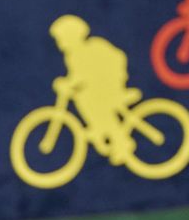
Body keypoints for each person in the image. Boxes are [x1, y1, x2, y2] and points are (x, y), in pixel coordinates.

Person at [50, 14, 140, 163]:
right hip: (93, 88)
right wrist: (68, 83)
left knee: (96, 104)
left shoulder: (93, 46)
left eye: (62, 38)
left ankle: (122, 142)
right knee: (82, 98)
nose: (60, 42)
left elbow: (114, 60)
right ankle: (98, 129)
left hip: (110, 86)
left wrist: (74, 81)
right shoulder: (71, 56)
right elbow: (76, 75)